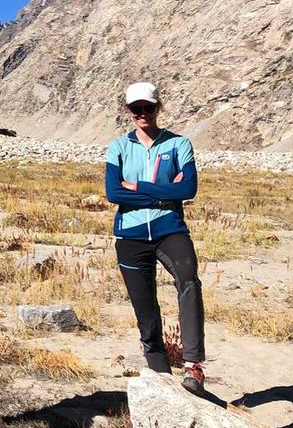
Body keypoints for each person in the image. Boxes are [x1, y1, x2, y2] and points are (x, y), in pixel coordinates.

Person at [104, 82, 206, 395]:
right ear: (128, 112)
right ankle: (161, 374)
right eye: (137, 109)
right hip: (130, 235)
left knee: (188, 279)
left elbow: (187, 190)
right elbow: (113, 192)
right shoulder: (118, 147)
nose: (143, 114)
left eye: (148, 108)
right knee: (144, 307)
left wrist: (136, 189)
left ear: (158, 108)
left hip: (169, 229)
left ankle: (193, 365)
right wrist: (163, 191)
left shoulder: (179, 145)